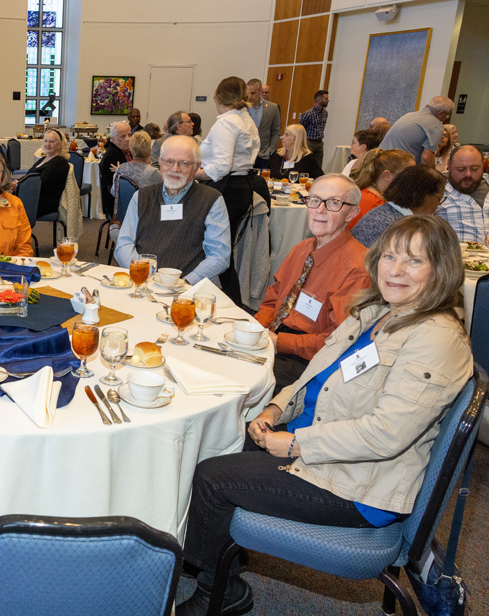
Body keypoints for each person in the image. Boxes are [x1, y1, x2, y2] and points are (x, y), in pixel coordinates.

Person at [177, 215, 472, 616]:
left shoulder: (435, 338)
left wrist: (295, 442)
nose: (395, 270)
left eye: (414, 261)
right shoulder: (377, 313)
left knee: (212, 477)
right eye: (389, 257)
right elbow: (318, 374)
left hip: (355, 483)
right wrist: (277, 407)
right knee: (220, 436)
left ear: (442, 269)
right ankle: (218, 548)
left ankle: (221, 588)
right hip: (323, 441)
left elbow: (386, 435)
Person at [254, 174, 369, 392]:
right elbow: (273, 299)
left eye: (334, 203)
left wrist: (279, 342)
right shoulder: (302, 248)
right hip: (273, 339)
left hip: (308, 360)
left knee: (246, 386)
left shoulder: (357, 268)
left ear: (352, 213)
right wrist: (257, 331)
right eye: (315, 200)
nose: (320, 210)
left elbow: (338, 340)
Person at [114, 135, 230, 285]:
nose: (175, 169)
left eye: (184, 163)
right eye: (169, 161)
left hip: (190, 289)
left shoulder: (212, 200)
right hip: (144, 283)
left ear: (196, 166)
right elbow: (124, 243)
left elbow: (219, 256)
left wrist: (185, 282)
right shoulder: (142, 197)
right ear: (160, 163)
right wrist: (145, 274)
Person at [197, 76, 259, 246]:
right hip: (241, 185)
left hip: (225, 187)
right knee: (224, 246)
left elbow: (221, 167)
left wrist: (193, 174)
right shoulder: (246, 120)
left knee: (214, 246)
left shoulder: (226, 123)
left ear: (218, 98)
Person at [351, 165, 446, 247]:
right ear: (424, 196)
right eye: (439, 198)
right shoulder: (397, 226)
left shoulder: (386, 211)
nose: (438, 205)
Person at [349, 148, 414, 229]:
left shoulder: (375, 198)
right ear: (387, 175)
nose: (412, 181)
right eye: (408, 176)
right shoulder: (369, 202)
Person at [436, 145, 489, 242]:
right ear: (449, 165)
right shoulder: (435, 188)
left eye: (474, 169)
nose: (468, 174)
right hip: (455, 254)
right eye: (461, 169)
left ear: (483, 166)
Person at [379, 96, 454, 165]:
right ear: (440, 113)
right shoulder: (436, 124)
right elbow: (426, 158)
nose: (445, 118)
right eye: (447, 115)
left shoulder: (409, 115)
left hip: (380, 159)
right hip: (396, 165)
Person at [26, 127, 70, 217]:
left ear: (60, 144)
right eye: (46, 141)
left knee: (8, 207)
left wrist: (20, 186)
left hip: (44, 202)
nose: (47, 144)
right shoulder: (44, 158)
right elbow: (29, 175)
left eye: (52, 141)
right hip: (33, 196)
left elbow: (42, 184)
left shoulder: (59, 162)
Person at [247, 78, 281, 169]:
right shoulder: (243, 108)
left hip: (264, 155)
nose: (250, 96)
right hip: (246, 153)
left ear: (260, 92)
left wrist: (271, 150)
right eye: (248, 93)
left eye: (253, 93)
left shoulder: (272, 108)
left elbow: (276, 131)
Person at [100, 121, 130, 218]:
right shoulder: (111, 156)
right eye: (122, 136)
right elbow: (115, 188)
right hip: (117, 203)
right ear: (112, 139)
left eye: (129, 135)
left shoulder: (127, 151)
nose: (128, 139)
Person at [298, 90, 329, 164]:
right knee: (307, 163)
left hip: (319, 142)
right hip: (309, 142)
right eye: (326, 99)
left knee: (318, 164)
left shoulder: (325, 113)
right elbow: (300, 129)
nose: (328, 100)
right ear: (319, 100)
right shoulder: (308, 114)